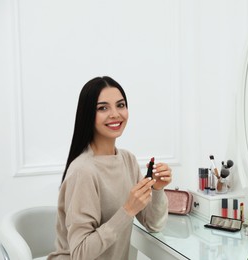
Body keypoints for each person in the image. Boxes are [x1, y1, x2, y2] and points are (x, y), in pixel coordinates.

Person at [48, 76, 172, 260]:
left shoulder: (128, 160)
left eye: (120, 105)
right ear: (88, 114)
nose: (115, 114)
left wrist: (158, 189)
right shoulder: (83, 171)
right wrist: (128, 210)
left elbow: (154, 224)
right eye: (103, 108)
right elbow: (80, 253)